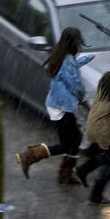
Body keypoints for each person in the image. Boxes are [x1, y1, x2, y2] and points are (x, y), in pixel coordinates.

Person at [15, 27, 95, 184]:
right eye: (79, 42)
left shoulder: (60, 55)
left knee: (76, 138)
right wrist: (83, 95)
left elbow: (71, 66)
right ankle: (29, 156)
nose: (80, 45)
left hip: (58, 104)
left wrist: (90, 57)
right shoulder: (67, 61)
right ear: (73, 43)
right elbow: (75, 83)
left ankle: (65, 175)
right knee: (68, 144)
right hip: (61, 106)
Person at [71, 53, 110, 205]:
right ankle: (96, 195)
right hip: (108, 128)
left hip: (94, 122)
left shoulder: (106, 78)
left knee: (105, 154)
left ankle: (82, 171)